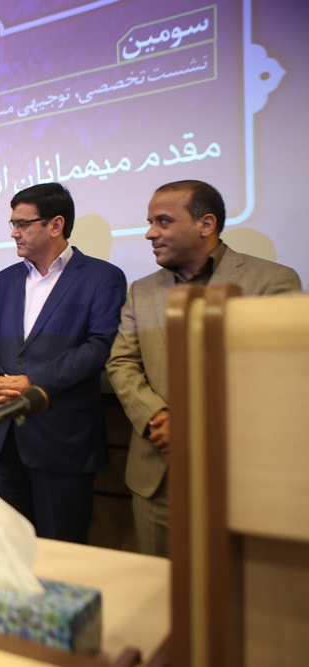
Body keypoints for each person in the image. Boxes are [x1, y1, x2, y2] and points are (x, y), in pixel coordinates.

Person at [107, 179, 301, 556]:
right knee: (158, 584)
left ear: (206, 224)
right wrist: (156, 416)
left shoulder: (271, 281)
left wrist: (193, 425)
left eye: (163, 221)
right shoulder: (141, 291)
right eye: (150, 222)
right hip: (157, 474)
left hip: (237, 475)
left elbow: (275, 379)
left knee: (231, 587)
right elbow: (122, 362)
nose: (150, 233)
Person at [0, 183, 127, 544]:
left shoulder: (102, 277)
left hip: (62, 440)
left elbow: (99, 346)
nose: (14, 232)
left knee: (61, 553)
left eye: (23, 224)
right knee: (9, 551)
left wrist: (34, 381)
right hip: (6, 439)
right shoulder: (6, 280)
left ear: (56, 225)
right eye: (13, 223)